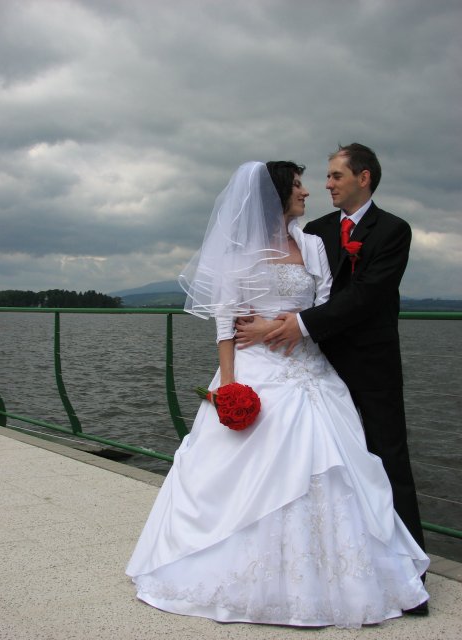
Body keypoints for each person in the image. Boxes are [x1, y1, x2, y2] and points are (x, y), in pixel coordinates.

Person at [126, 160, 429, 628]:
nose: (308, 191)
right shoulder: (238, 251)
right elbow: (226, 323)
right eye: (299, 185)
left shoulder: (312, 243)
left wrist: (279, 327)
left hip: (309, 366)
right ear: (276, 194)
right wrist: (230, 386)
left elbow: (324, 303)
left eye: (319, 181)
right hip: (255, 368)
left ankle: (337, 577)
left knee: (336, 464)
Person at [235, 145, 427, 615]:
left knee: (387, 460)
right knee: (328, 466)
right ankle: (332, 563)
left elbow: (368, 295)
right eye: (324, 176)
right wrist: (278, 325)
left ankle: (409, 574)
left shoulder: (394, 230)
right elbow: (305, 287)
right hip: (318, 360)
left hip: (371, 363)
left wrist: (296, 326)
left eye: (336, 176)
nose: (326, 185)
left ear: (364, 177)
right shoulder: (314, 232)